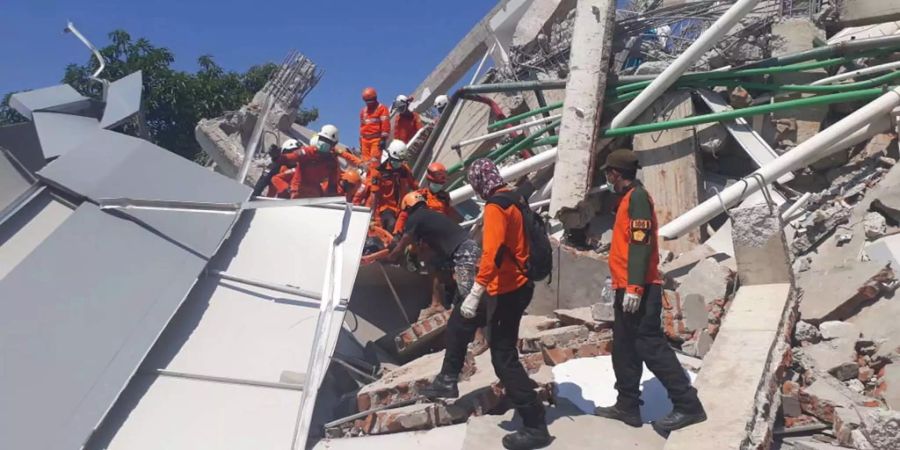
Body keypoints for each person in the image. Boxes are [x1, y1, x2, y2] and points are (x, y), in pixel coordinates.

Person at [419, 159, 552, 450]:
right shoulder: (514, 197)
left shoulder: (495, 207)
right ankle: (447, 378)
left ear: (480, 182)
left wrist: (476, 293)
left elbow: (491, 255)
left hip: (506, 289)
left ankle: (535, 424)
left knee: (503, 357)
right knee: (459, 322)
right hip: (510, 285)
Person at [593, 149, 707, 432]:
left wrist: (634, 287)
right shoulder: (626, 200)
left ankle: (688, 406)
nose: (607, 177)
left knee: (650, 347)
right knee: (624, 348)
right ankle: (627, 405)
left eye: (608, 172)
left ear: (615, 174)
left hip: (641, 289)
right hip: (626, 287)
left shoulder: (638, 199)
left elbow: (641, 245)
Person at [387, 191, 481, 314]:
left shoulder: (415, 217)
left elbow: (405, 241)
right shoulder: (431, 215)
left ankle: (476, 325)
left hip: (463, 250)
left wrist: (391, 256)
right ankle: (436, 304)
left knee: (468, 295)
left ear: (408, 207)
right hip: (463, 248)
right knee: (434, 265)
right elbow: (422, 246)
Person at [353, 140, 418, 232]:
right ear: (390, 156)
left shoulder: (404, 171)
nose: (398, 163)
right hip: (385, 209)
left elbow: (415, 185)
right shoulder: (379, 172)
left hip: (401, 209)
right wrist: (372, 217)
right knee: (392, 225)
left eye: (400, 161)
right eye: (396, 161)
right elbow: (373, 197)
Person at [277, 125, 342, 199]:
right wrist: (279, 157)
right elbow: (293, 156)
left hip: (315, 194)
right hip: (298, 191)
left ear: (333, 144)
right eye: (321, 139)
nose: (323, 142)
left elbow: (332, 186)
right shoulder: (308, 151)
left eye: (327, 141)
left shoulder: (332, 162)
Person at [359, 87, 391, 167]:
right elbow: (362, 126)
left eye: (370, 100)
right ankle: (368, 178)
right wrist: (361, 140)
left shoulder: (382, 108)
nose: (369, 103)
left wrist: (383, 139)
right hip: (365, 140)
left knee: (374, 163)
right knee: (365, 164)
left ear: (375, 98)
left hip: (376, 140)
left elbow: (385, 123)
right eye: (367, 101)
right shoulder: (363, 111)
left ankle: (374, 178)